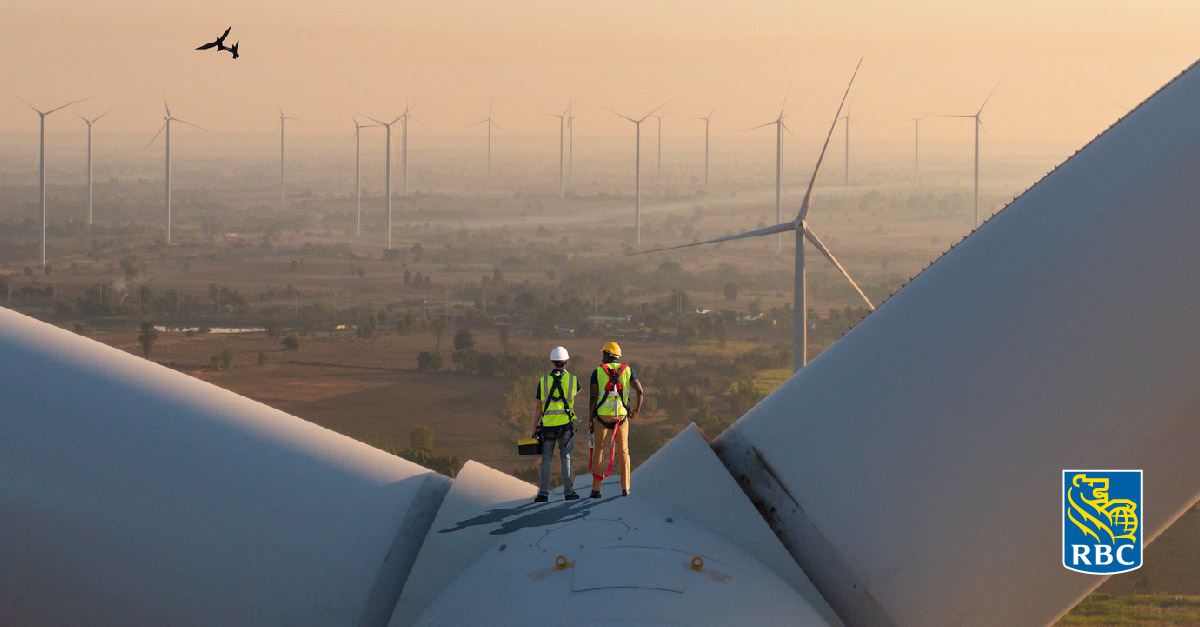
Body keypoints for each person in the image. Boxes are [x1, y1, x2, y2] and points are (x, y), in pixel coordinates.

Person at [588, 341, 643, 498]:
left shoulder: (597, 372)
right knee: (623, 451)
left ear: (607, 354)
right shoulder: (628, 371)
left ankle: (596, 490)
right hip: (621, 417)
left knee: (599, 451)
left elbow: (593, 398)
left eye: (603, 353)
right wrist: (636, 411)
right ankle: (626, 488)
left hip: (602, 417)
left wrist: (591, 420)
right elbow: (640, 391)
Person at [532, 346, 582, 502]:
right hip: (565, 427)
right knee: (566, 459)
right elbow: (576, 391)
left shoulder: (543, 381)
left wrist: (534, 428)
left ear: (552, 361)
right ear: (566, 362)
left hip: (547, 427)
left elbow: (539, 406)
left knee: (546, 459)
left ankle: (543, 494)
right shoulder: (573, 380)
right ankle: (569, 492)